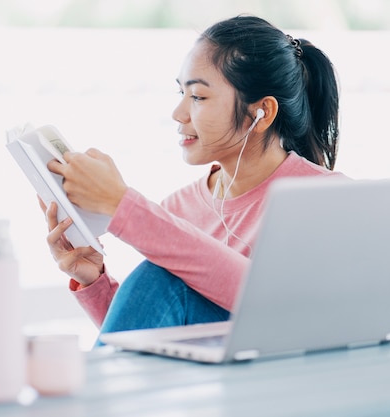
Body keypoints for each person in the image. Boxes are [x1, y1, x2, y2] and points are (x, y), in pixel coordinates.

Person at [39, 15, 344, 343]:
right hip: (200, 388)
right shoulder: (179, 208)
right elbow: (149, 331)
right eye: (180, 93)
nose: (178, 113)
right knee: (156, 281)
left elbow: (278, 307)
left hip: (283, 382)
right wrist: (94, 281)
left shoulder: (327, 198)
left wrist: (123, 207)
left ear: (262, 112)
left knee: (160, 279)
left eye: (197, 97)